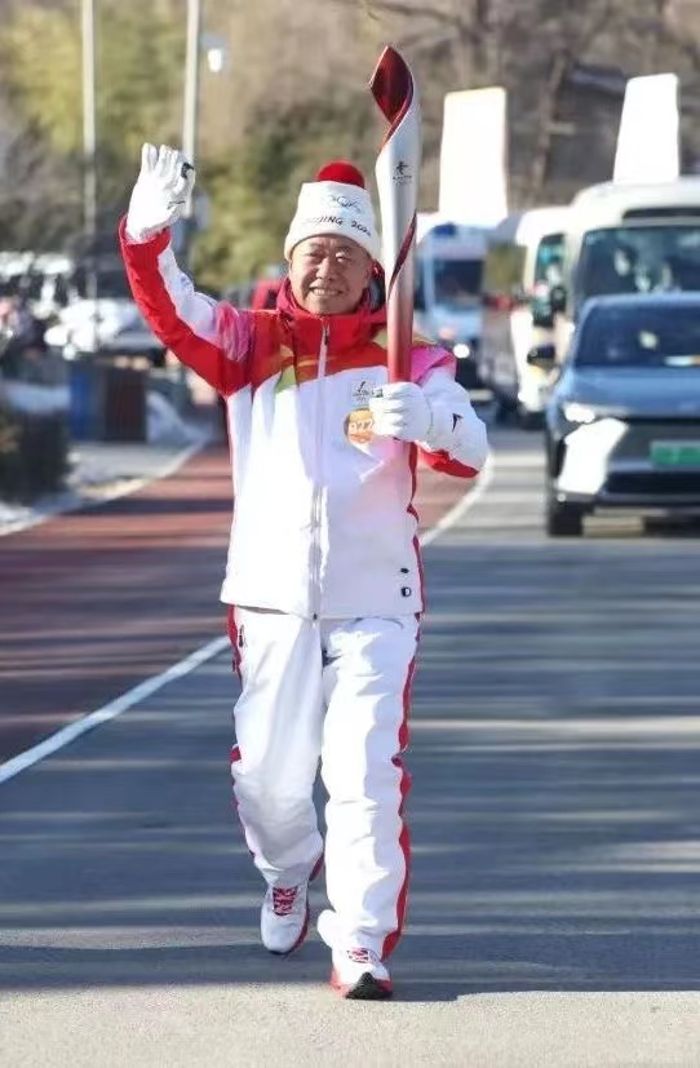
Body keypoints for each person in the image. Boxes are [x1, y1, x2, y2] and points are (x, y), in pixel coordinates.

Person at [120, 143, 488, 1000]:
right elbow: (170, 311)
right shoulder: (247, 343)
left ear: (372, 268)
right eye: (314, 252)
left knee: (363, 774)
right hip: (271, 598)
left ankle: (359, 940)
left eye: (346, 254)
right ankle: (288, 869)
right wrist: (145, 236)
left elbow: (470, 452)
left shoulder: (410, 355)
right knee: (268, 783)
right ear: (291, 261)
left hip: (376, 601)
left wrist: (429, 418)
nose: (328, 268)